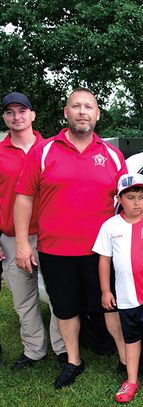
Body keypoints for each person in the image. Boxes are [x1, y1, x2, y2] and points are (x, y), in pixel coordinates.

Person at [13, 88, 143, 389]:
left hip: (103, 252)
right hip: (55, 250)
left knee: (110, 306)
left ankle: (126, 359)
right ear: (66, 112)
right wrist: (22, 243)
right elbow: (24, 197)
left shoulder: (111, 155)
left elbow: (130, 192)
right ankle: (73, 360)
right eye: (76, 106)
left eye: (89, 107)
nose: (82, 111)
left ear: (97, 114)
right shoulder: (44, 151)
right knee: (65, 309)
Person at [93, 173, 143, 403]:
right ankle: (131, 380)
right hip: (127, 296)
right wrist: (105, 291)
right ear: (119, 199)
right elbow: (104, 260)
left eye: (142, 197)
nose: (137, 203)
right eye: (131, 198)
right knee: (131, 338)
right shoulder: (110, 226)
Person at [0, 92, 66, 371]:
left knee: (58, 295)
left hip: (51, 234)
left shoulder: (52, 149)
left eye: (22, 111)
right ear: (4, 117)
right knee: (24, 299)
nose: (17, 117)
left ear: (32, 115)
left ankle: (63, 347)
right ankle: (34, 350)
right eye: (10, 112)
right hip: (12, 237)